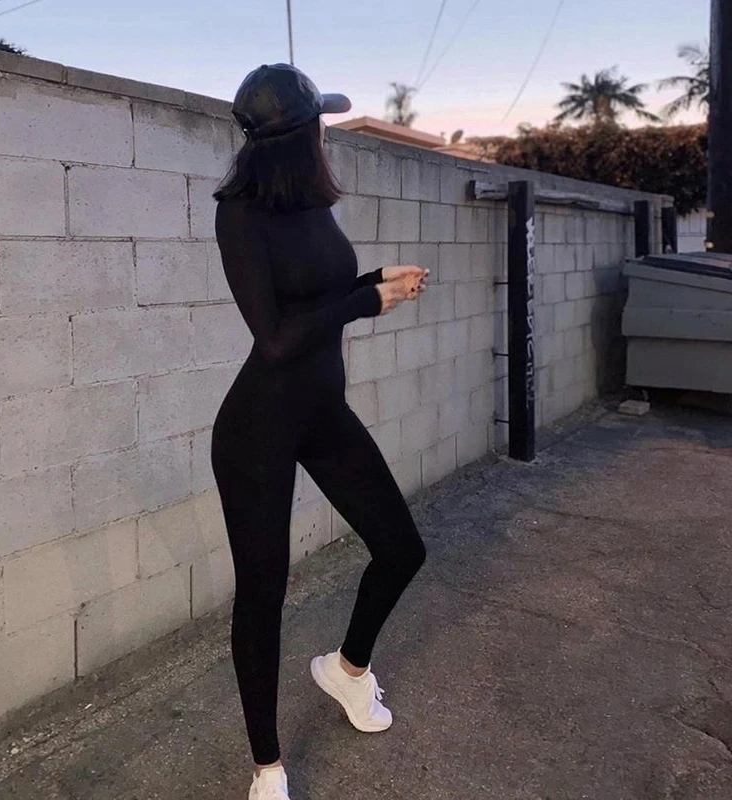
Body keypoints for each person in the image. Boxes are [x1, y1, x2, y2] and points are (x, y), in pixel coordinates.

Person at [211, 63, 429, 800]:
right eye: (320, 126)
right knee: (263, 596)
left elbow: (321, 297)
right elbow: (275, 338)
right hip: (257, 428)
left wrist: (377, 282)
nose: (326, 136)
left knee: (401, 548)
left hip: (321, 414)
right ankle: (267, 768)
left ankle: (347, 670)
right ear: (297, 137)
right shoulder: (240, 215)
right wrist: (365, 303)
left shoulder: (308, 202)